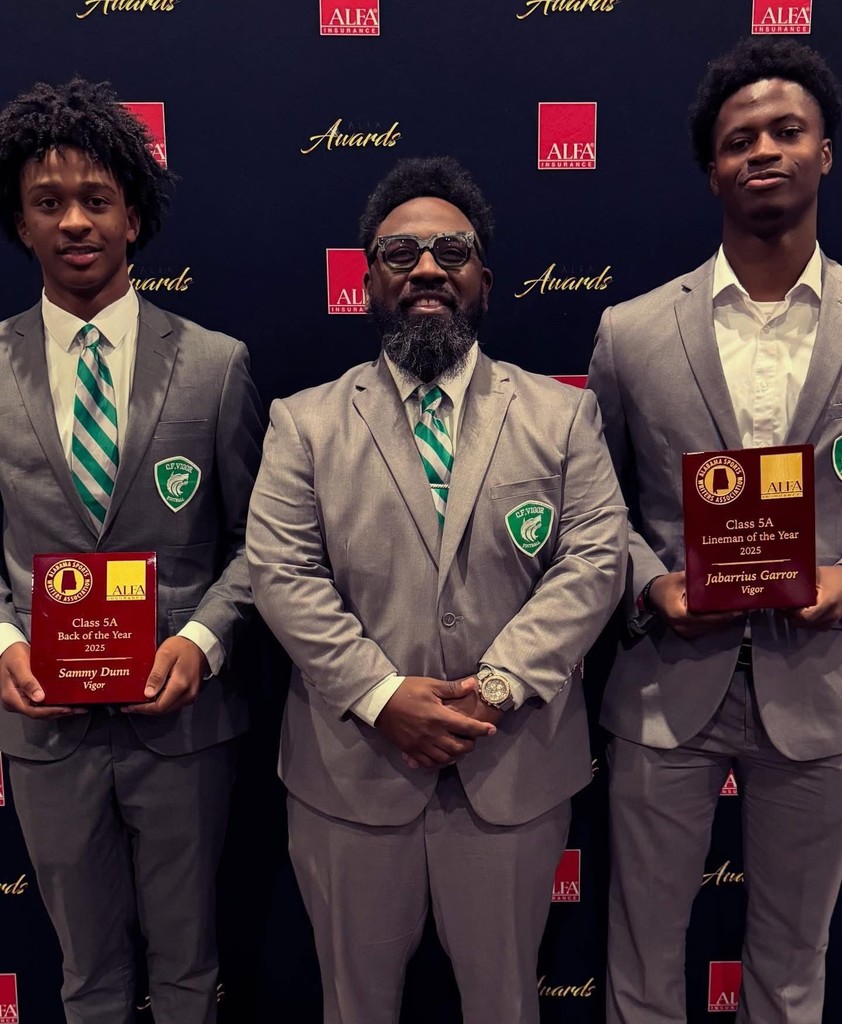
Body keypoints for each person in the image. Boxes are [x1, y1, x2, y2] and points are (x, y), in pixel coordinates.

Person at [246, 155, 627, 1024]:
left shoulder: (562, 415)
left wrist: (493, 687)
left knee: (505, 1006)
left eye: (450, 252)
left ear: (484, 281)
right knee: (355, 1008)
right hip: (351, 781)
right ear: (369, 280)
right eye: (400, 253)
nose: (426, 268)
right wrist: (382, 696)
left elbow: (597, 560)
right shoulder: (302, 424)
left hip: (513, 774)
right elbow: (282, 572)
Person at [588, 37, 842, 1024]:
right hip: (664, 690)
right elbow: (591, 506)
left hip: (818, 690)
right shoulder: (631, 331)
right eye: (740, 140)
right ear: (711, 170)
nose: (764, 151)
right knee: (640, 960)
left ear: (825, 152)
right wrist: (651, 583)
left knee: (791, 961)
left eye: (787, 131)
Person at [0, 78, 264, 1024]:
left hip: (182, 730)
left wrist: (201, 640)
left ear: (134, 218)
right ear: (21, 222)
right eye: (48, 202)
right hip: (46, 729)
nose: (75, 221)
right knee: (86, 978)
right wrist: (3, 645)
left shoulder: (214, 365)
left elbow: (254, 544)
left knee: (191, 970)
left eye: (97, 200)